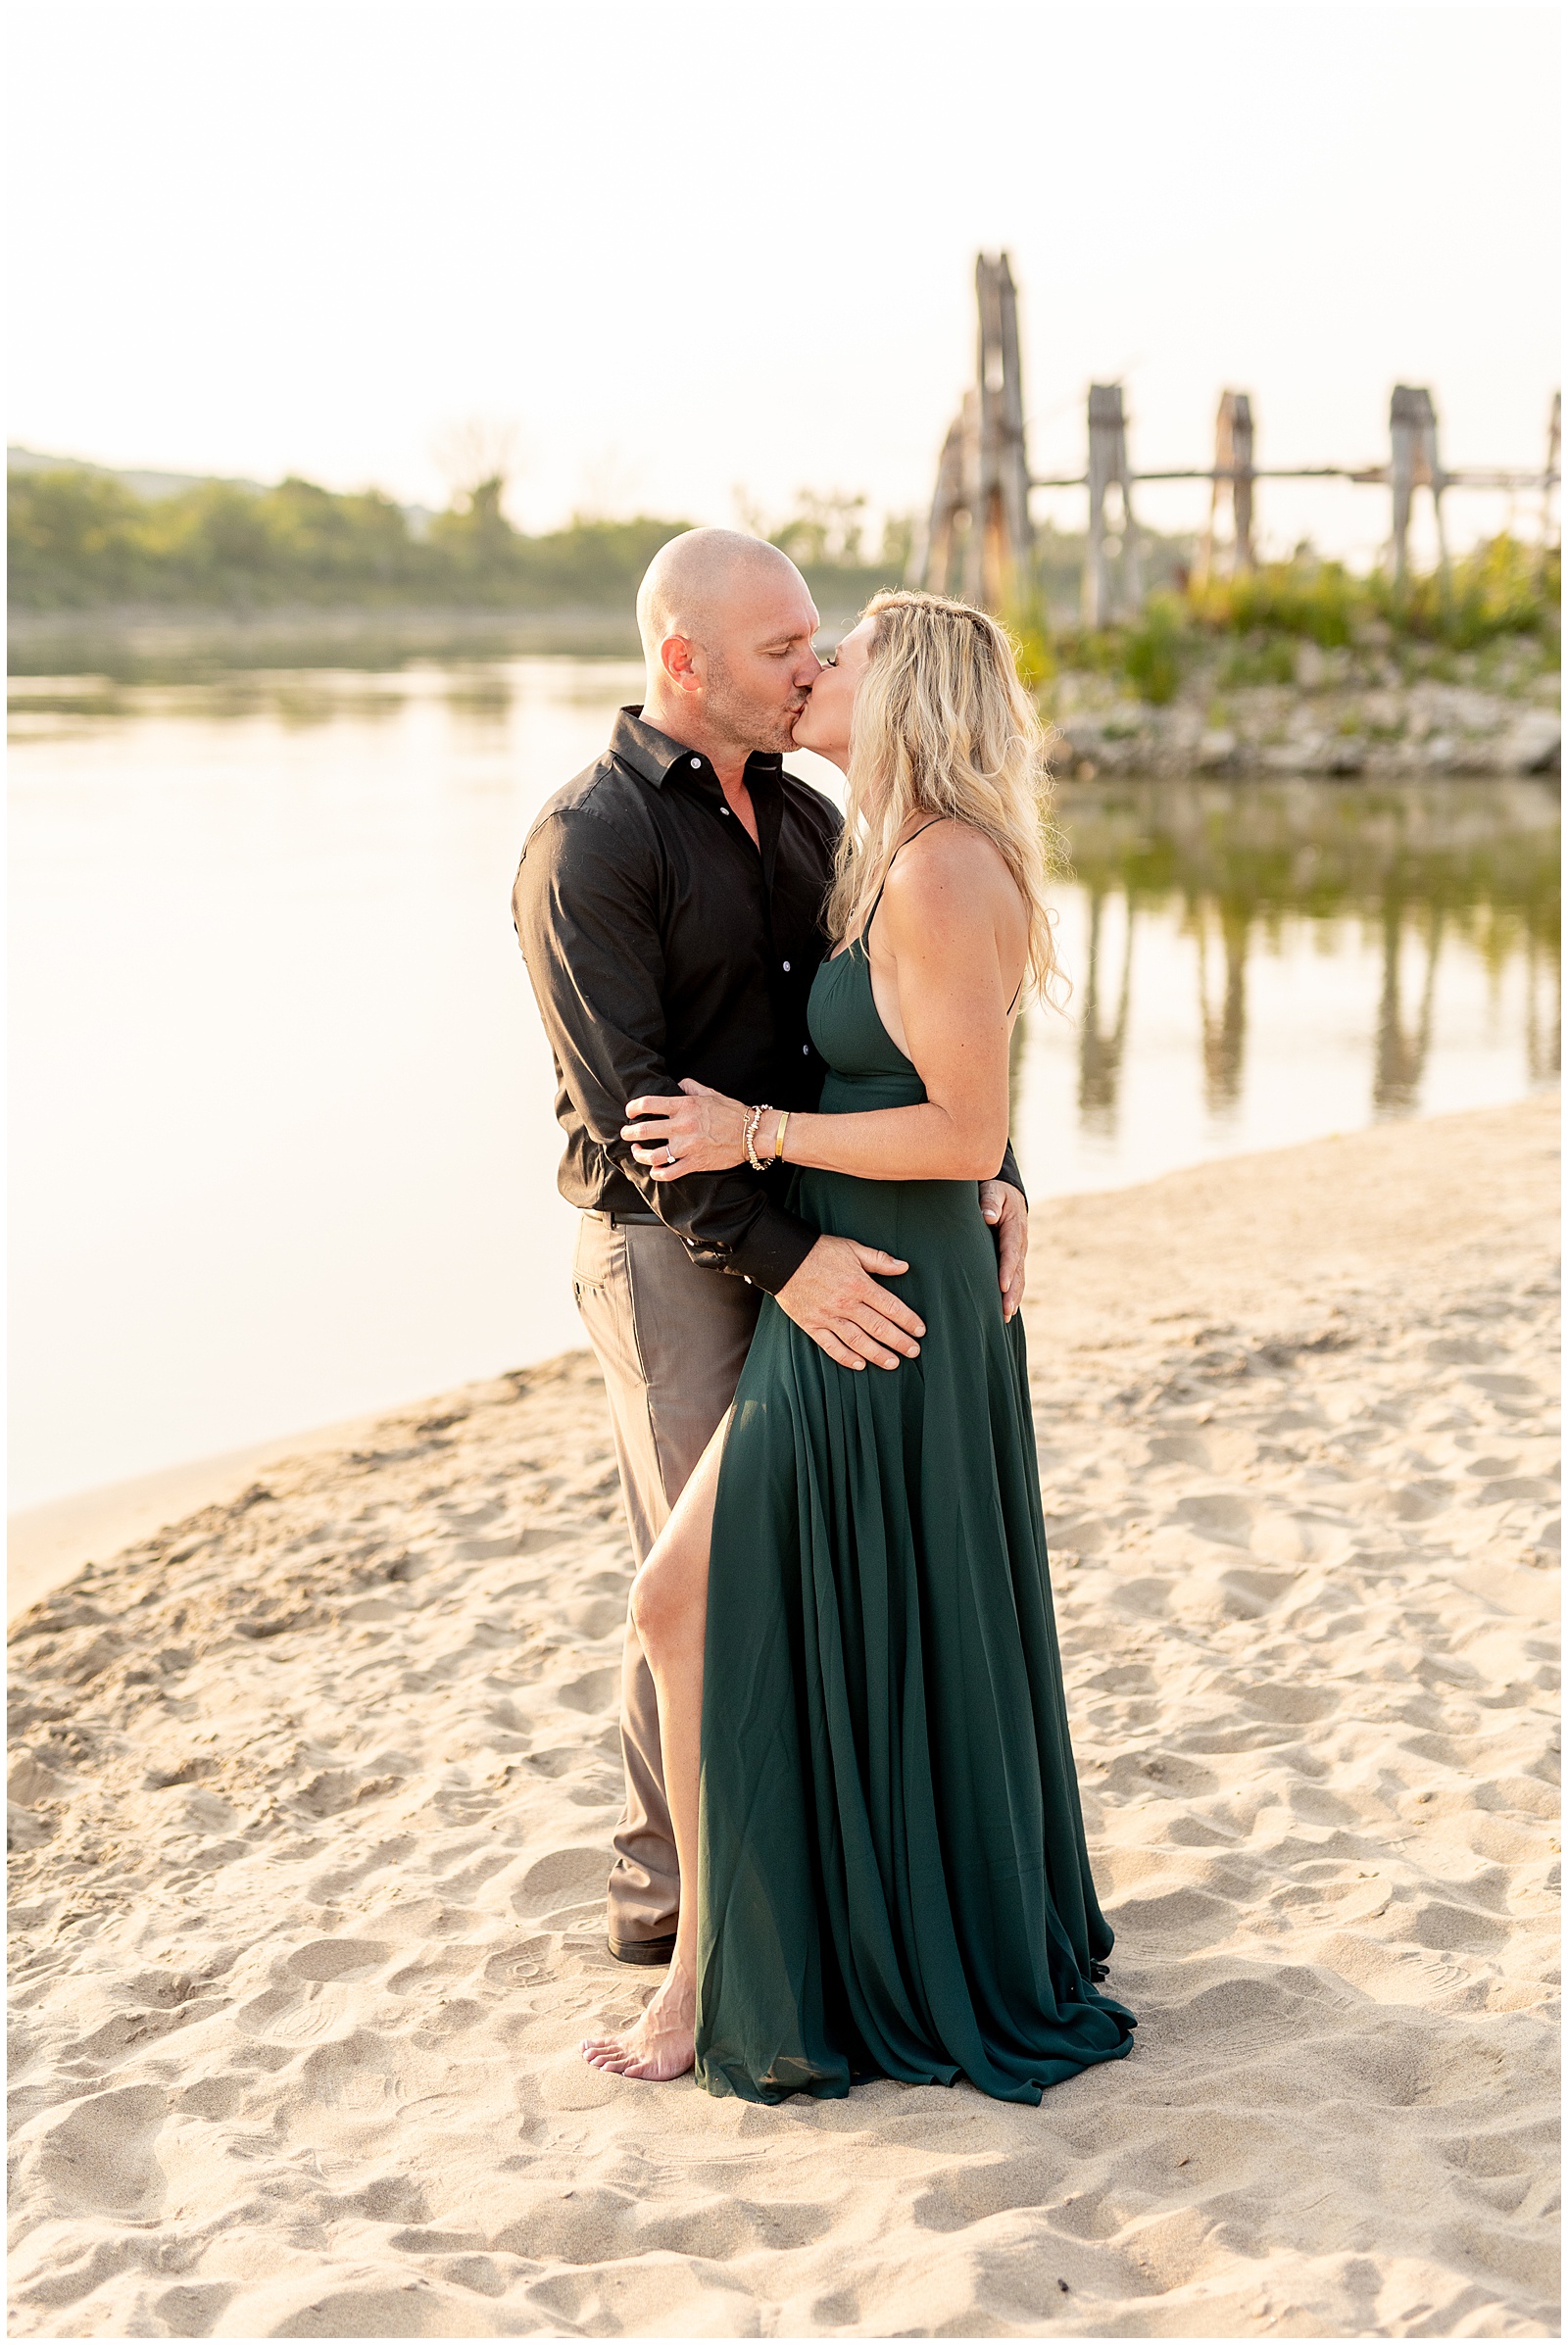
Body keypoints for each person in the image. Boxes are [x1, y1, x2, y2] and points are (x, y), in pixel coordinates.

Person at [580, 590, 1135, 2101]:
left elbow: (958, 1113)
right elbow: (962, 1096)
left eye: (847, 653)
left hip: (878, 1289)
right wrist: (989, 1171)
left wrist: (760, 1128)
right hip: (851, 1276)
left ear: (912, 695)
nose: (818, 668)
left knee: (686, 1595)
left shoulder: (944, 865)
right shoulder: (872, 845)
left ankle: (713, 1970)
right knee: (709, 1602)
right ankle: (713, 1960)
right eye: (802, 649)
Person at [512, 535, 1030, 1967]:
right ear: (683, 661)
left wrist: (1003, 1176)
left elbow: (935, 1039)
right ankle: (667, 1897)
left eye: (818, 641)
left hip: (832, 1220)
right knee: (698, 1565)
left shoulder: (815, 820)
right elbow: (636, 1119)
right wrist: (789, 1261)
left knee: (796, 1560)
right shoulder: (591, 840)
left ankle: (819, 1878)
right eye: (779, 649)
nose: (808, 665)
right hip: (674, 1251)